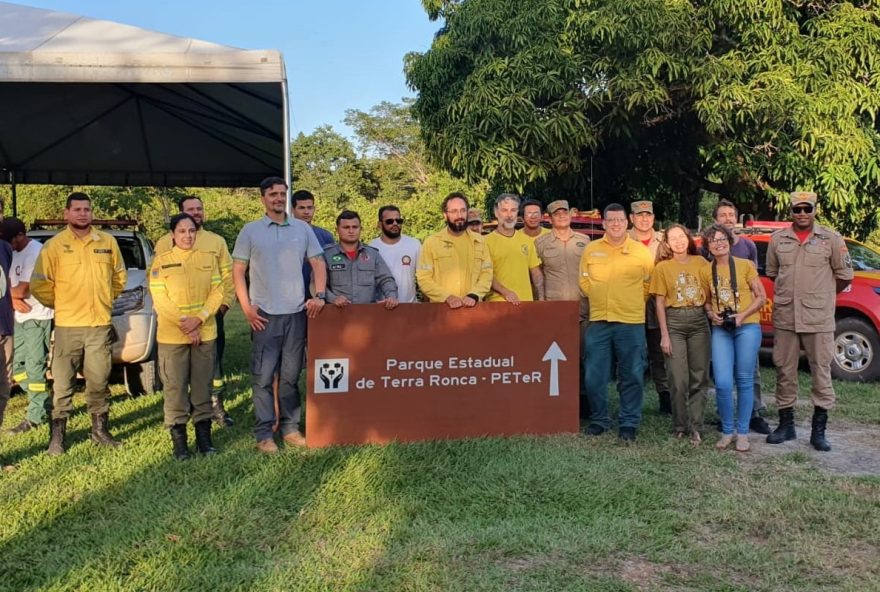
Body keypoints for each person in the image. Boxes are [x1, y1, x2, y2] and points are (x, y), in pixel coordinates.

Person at [232, 177, 327, 453]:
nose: (278, 198)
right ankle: (264, 433)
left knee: (289, 376)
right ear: (262, 198)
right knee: (263, 377)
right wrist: (247, 307)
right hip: (264, 315)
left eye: (282, 193)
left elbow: (318, 263)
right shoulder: (250, 231)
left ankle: (289, 428)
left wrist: (319, 296)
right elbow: (238, 271)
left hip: (296, 313)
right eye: (272, 194)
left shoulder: (301, 229)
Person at [31, 192, 127, 455]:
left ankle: (99, 431)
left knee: (98, 381)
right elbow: (39, 283)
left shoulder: (107, 242)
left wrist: (105, 299)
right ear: (67, 214)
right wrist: (62, 304)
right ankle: (57, 438)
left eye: (87, 209)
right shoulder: (54, 246)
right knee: (62, 384)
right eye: (77, 209)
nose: (83, 213)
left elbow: (119, 277)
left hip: (98, 325)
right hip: (67, 326)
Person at [765, 191, 853, 451]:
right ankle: (786, 425)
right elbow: (772, 272)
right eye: (797, 209)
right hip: (786, 317)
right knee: (783, 370)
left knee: (821, 372)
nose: (802, 213)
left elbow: (845, 275)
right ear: (790, 211)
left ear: (815, 210)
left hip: (818, 318)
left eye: (807, 209)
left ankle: (818, 430)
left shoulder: (832, 239)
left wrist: (822, 296)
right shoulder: (777, 240)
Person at [154, 196, 236, 427]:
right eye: (191, 210)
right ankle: (179, 416)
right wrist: (185, 321)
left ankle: (216, 407)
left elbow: (226, 278)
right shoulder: (163, 243)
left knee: (212, 366)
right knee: (177, 375)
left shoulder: (216, 241)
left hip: (210, 314)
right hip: (176, 323)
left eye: (199, 209)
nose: (196, 213)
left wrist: (223, 306)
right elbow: (160, 285)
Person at [150, 213, 224, 460]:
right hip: (173, 337)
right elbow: (160, 300)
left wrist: (200, 319)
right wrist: (187, 325)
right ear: (172, 235)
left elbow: (218, 291)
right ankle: (180, 443)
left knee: (202, 387)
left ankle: (205, 439)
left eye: (191, 230)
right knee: (175, 388)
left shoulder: (207, 259)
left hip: (205, 333)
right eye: (181, 231)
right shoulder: (162, 262)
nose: (187, 235)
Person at [579, 203, 654, 441]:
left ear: (627, 222)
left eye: (619, 220)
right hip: (599, 320)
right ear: (603, 224)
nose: (615, 224)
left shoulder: (640, 251)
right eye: (610, 220)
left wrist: (629, 301)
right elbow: (584, 281)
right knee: (594, 375)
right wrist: (599, 296)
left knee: (631, 374)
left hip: (630, 322)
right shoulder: (591, 249)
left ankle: (629, 422)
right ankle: (600, 419)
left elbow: (647, 284)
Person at [703, 199, 770, 434]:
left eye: (731, 214)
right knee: (721, 378)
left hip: (746, 324)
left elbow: (759, 293)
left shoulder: (748, 250)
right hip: (721, 326)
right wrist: (712, 314)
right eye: (723, 215)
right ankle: (726, 421)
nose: (728, 218)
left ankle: (751, 417)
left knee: (749, 375)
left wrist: (742, 315)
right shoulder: (706, 263)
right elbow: (706, 298)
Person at [650, 224, 710, 445]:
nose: (678, 241)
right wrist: (664, 334)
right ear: (666, 243)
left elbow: (710, 294)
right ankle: (679, 425)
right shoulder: (663, 268)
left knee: (699, 375)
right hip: (674, 321)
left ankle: (696, 426)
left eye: (681, 236)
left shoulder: (702, 263)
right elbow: (659, 302)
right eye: (672, 238)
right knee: (677, 377)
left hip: (698, 321)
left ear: (688, 238)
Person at [535, 200, 591, 418]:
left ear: (570, 214)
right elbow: (537, 275)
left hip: (582, 307)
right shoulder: (541, 243)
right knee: (557, 359)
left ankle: (584, 402)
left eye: (564, 212)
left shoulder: (585, 240)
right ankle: (559, 402)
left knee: (585, 356)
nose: (561, 216)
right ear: (549, 218)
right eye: (556, 214)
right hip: (554, 310)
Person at [2, 218, 53, 434]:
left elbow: (22, 290)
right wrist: (11, 300)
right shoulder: (10, 250)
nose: (8, 247)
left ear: (21, 236)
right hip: (18, 316)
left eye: (11, 242)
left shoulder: (36, 253)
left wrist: (11, 297)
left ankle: (35, 417)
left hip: (37, 317)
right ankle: (44, 403)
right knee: (19, 369)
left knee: (34, 368)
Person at [628, 200, 670, 415]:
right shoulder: (622, 240)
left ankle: (665, 396)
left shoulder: (664, 242)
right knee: (631, 353)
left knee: (659, 352)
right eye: (639, 215)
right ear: (631, 218)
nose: (644, 219)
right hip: (630, 302)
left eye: (648, 215)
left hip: (657, 304)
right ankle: (631, 399)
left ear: (653, 218)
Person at [416, 192, 493, 307]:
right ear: (445, 215)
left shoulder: (480, 241)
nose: (459, 215)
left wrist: (474, 294)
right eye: (454, 211)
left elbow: (487, 274)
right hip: (442, 311)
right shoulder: (431, 243)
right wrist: (446, 297)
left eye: (463, 210)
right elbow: (423, 278)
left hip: (473, 309)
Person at [324, 210, 398, 308]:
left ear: (360, 229)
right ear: (337, 230)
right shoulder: (327, 254)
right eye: (346, 227)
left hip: (368, 314)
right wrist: (333, 298)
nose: (351, 231)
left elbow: (386, 279)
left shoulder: (372, 254)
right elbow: (317, 284)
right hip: (338, 313)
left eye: (355, 227)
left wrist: (391, 296)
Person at [485, 193, 544, 303]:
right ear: (496, 213)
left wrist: (541, 299)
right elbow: (486, 275)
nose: (509, 215)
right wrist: (506, 292)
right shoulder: (486, 242)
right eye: (504, 210)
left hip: (525, 303)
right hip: (499, 304)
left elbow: (536, 273)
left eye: (513, 210)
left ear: (517, 213)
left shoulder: (526, 240)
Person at [368, 205, 420, 303]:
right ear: (379, 224)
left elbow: (423, 278)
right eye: (389, 221)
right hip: (382, 307)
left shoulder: (414, 244)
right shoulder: (371, 247)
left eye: (398, 220)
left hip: (409, 307)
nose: (395, 223)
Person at [292, 189, 336, 298]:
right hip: (292, 296)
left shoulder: (326, 236)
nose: (306, 212)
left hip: (319, 297)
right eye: (301, 208)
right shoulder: (284, 236)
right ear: (293, 210)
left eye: (309, 207)